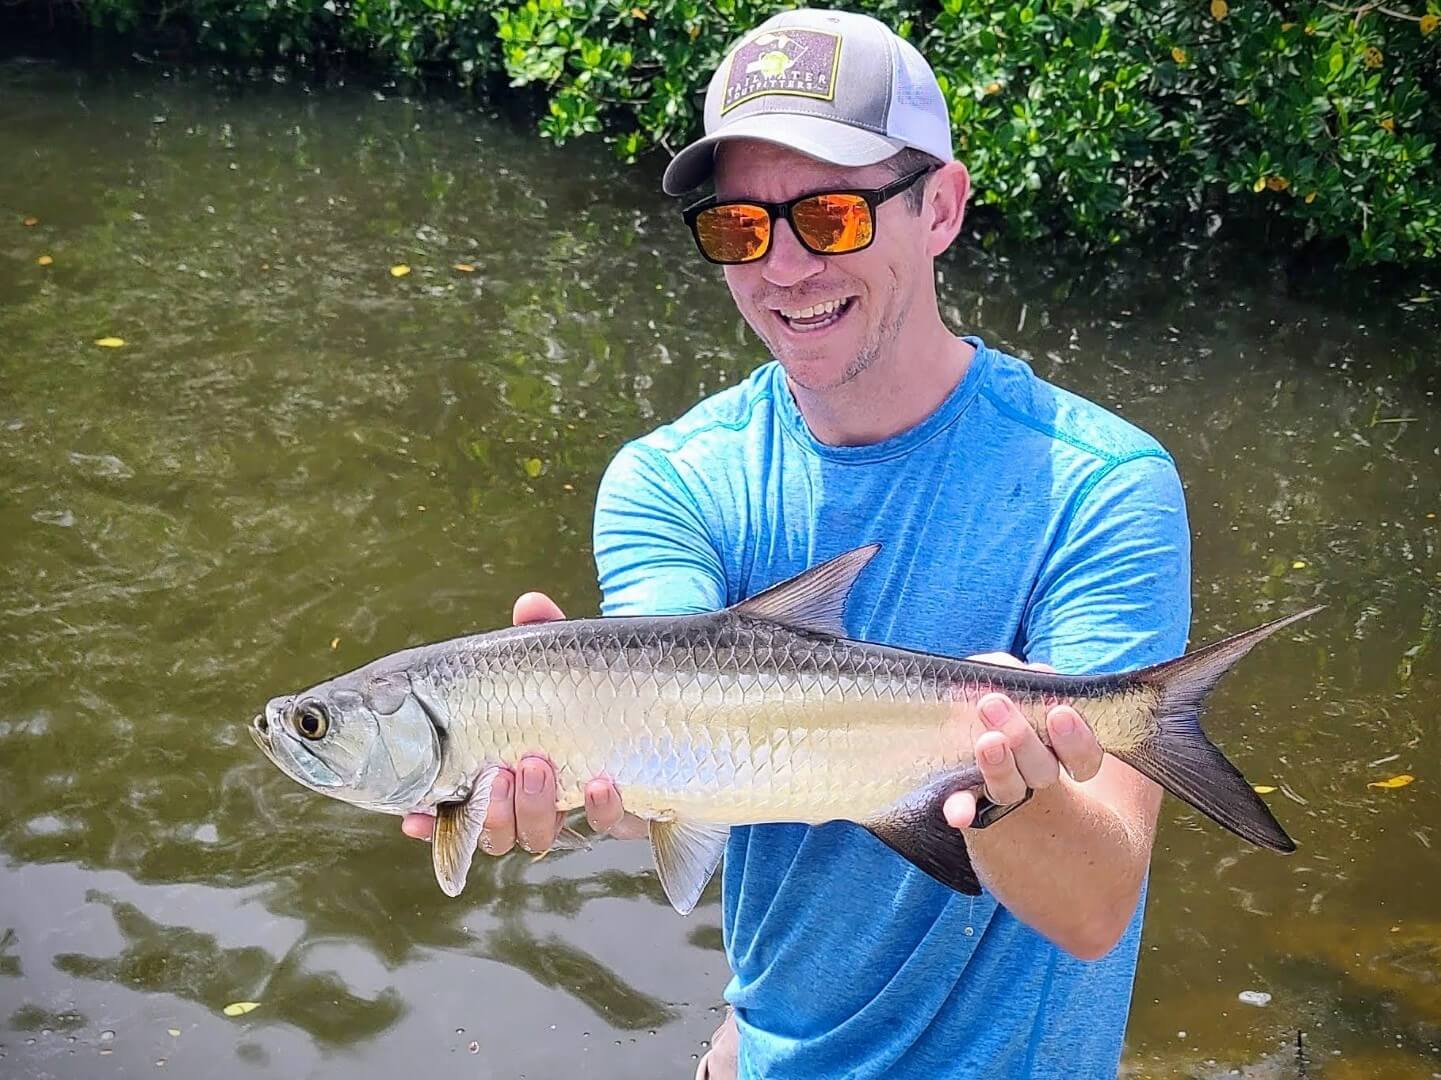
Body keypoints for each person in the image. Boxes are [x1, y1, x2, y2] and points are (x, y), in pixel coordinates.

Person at [405, 8, 1191, 1077]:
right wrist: (575, 751)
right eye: (737, 228)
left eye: (830, 214)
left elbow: (1095, 909)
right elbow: (664, 756)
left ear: (941, 207)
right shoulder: (670, 481)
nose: (782, 269)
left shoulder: (1101, 486)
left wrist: (1005, 783)